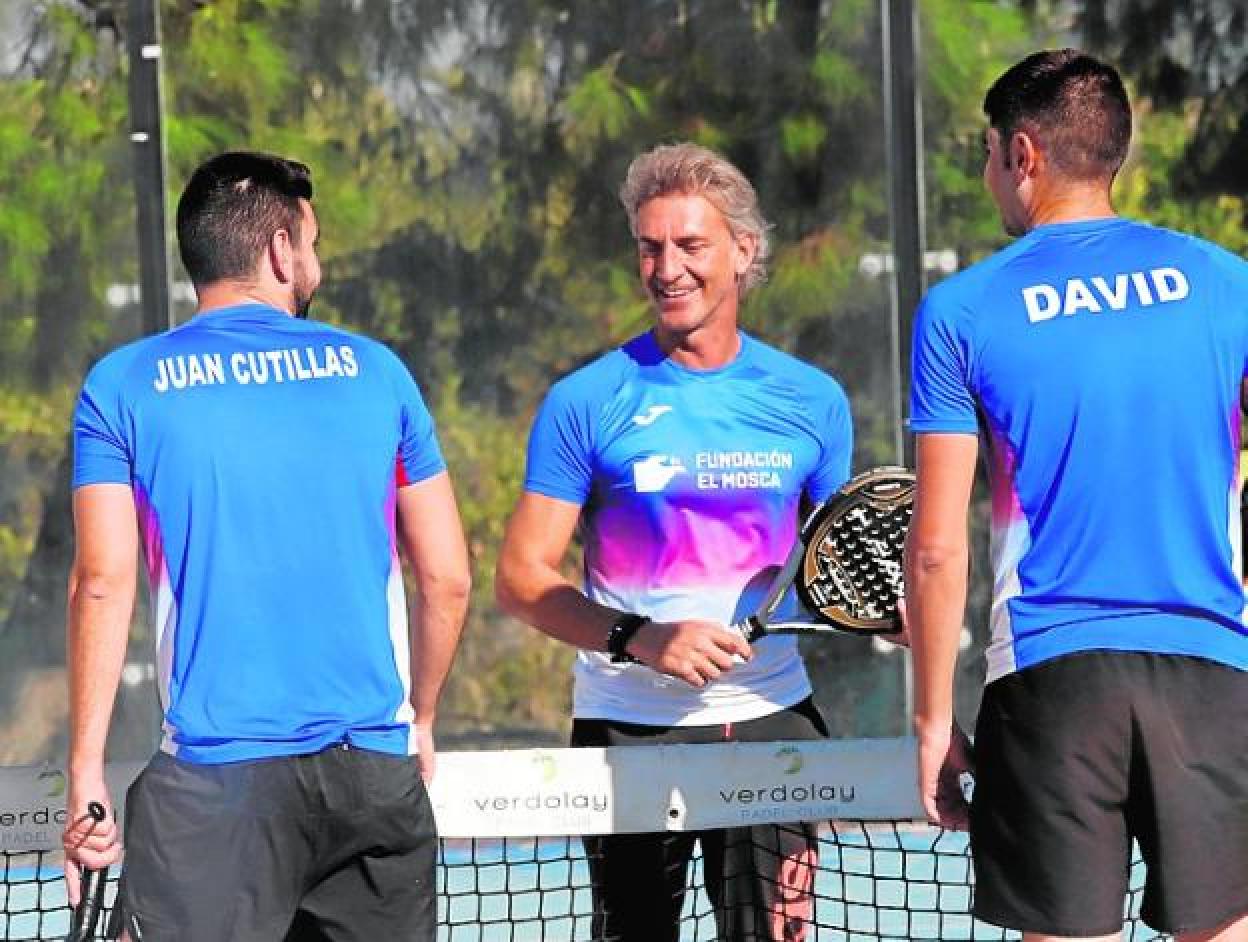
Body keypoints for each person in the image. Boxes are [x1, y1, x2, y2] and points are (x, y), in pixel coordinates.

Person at [61, 151, 471, 941]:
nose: (315, 263)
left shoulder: (121, 384)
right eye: (312, 243)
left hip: (215, 793)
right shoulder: (379, 373)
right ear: (282, 252)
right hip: (371, 776)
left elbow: (101, 583)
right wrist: (417, 719)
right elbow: (447, 579)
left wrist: (85, 772)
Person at [905, 49, 1248, 942]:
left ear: (1023, 154)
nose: (988, 177)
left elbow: (939, 548)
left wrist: (932, 721)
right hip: (1212, 669)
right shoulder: (1227, 284)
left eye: (987, 155)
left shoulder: (962, 311)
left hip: (1052, 679)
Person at [495, 142, 853, 942]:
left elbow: (842, 566)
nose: (667, 268)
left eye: (690, 245)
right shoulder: (584, 402)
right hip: (627, 728)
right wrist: (640, 637)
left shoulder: (813, 401)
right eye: (650, 247)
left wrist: (889, 615)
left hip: (772, 721)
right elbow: (520, 578)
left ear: (743, 252)